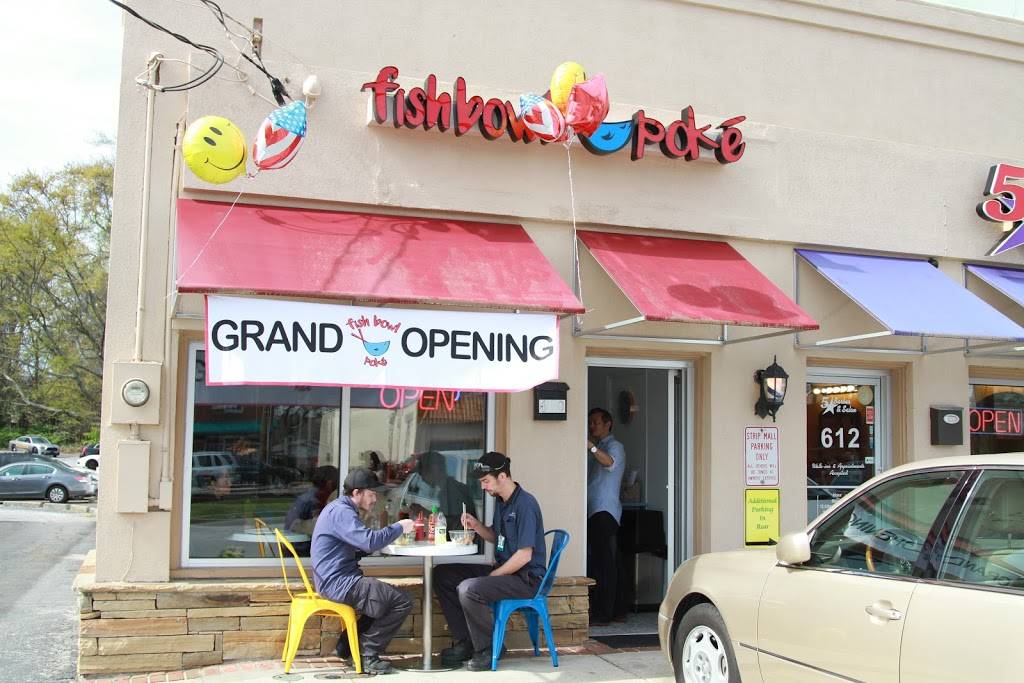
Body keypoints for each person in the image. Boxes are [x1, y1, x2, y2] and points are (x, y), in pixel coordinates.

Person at [434, 452, 547, 671]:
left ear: (503, 477)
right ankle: (467, 641)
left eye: (486, 481)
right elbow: (497, 537)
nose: (483, 487)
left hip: (526, 578)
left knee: (469, 589)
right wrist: (476, 526)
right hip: (506, 571)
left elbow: (525, 555)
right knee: (442, 575)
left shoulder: (526, 504)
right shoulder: (502, 502)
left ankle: (489, 647)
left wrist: (493, 576)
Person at [311, 468, 416, 675]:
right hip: (338, 582)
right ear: (357, 493)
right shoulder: (342, 512)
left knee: (380, 601)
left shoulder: (340, 508)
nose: (375, 499)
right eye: (371, 494)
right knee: (402, 600)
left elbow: (358, 544)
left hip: (336, 579)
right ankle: (367, 654)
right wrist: (399, 527)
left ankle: (347, 647)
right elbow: (368, 542)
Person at [586, 407, 626, 626]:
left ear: (608, 424)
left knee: (605, 565)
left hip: (605, 512)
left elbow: (609, 463)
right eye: (590, 423)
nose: (592, 427)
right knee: (609, 562)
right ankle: (618, 609)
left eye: (596, 422)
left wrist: (590, 447)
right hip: (594, 511)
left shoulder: (614, 446)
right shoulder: (600, 446)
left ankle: (605, 614)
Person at [408, 451, 477, 530]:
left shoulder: (453, 491)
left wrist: (427, 514)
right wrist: (426, 512)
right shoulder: (446, 489)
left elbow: (457, 524)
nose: (422, 478)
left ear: (435, 469)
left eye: (422, 473)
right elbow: (446, 516)